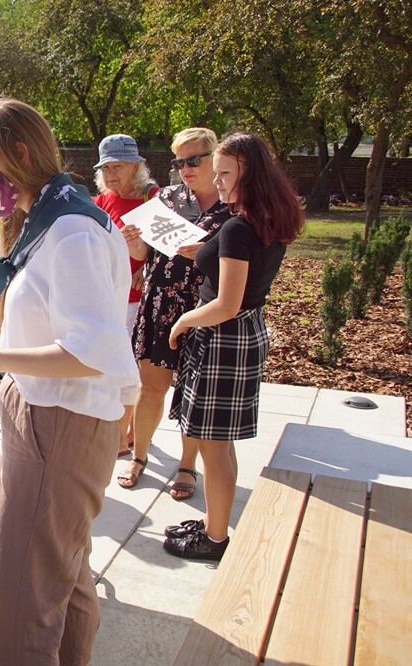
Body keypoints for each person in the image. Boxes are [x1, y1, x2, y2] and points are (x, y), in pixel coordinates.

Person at [0, 98, 138, 665]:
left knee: (19, 600)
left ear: (19, 152)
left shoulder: (69, 229)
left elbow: (88, 351)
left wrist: (0, 360)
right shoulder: (52, 218)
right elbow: (53, 320)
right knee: (63, 578)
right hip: (50, 416)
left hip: (59, 424)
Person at [162, 132, 304, 561]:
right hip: (243, 334)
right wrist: (204, 250)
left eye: (225, 172)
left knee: (212, 444)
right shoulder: (264, 217)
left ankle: (216, 539)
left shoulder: (240, 227)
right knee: (220, 443)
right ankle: (214, 522)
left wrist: (183, 321)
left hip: (223, 338)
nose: (217, 181)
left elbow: (227, 303)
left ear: (249, 172)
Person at [116, 127, 231, 497]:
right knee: (151, 387)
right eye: (180, 161)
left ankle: (187, 466)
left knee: (192, 394)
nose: (186, 168)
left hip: (202, 307)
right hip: (159, 303)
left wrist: (206, 253)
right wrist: (134, 244)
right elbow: (143, 258)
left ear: (216, 157)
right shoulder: (166, 198)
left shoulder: (234, 205)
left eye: (194, 160)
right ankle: (141, 456)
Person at [92, 134, 159, 457]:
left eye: (117, 166)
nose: (110, 174)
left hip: (137, 298)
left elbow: (165, 249)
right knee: (110, 362)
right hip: (108, 293)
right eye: (105, 168)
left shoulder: (153, 197)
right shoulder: (101, 200)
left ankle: (122, 435)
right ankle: (119, 426)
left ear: (136, 166)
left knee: (128, 366)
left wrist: (141, 261)